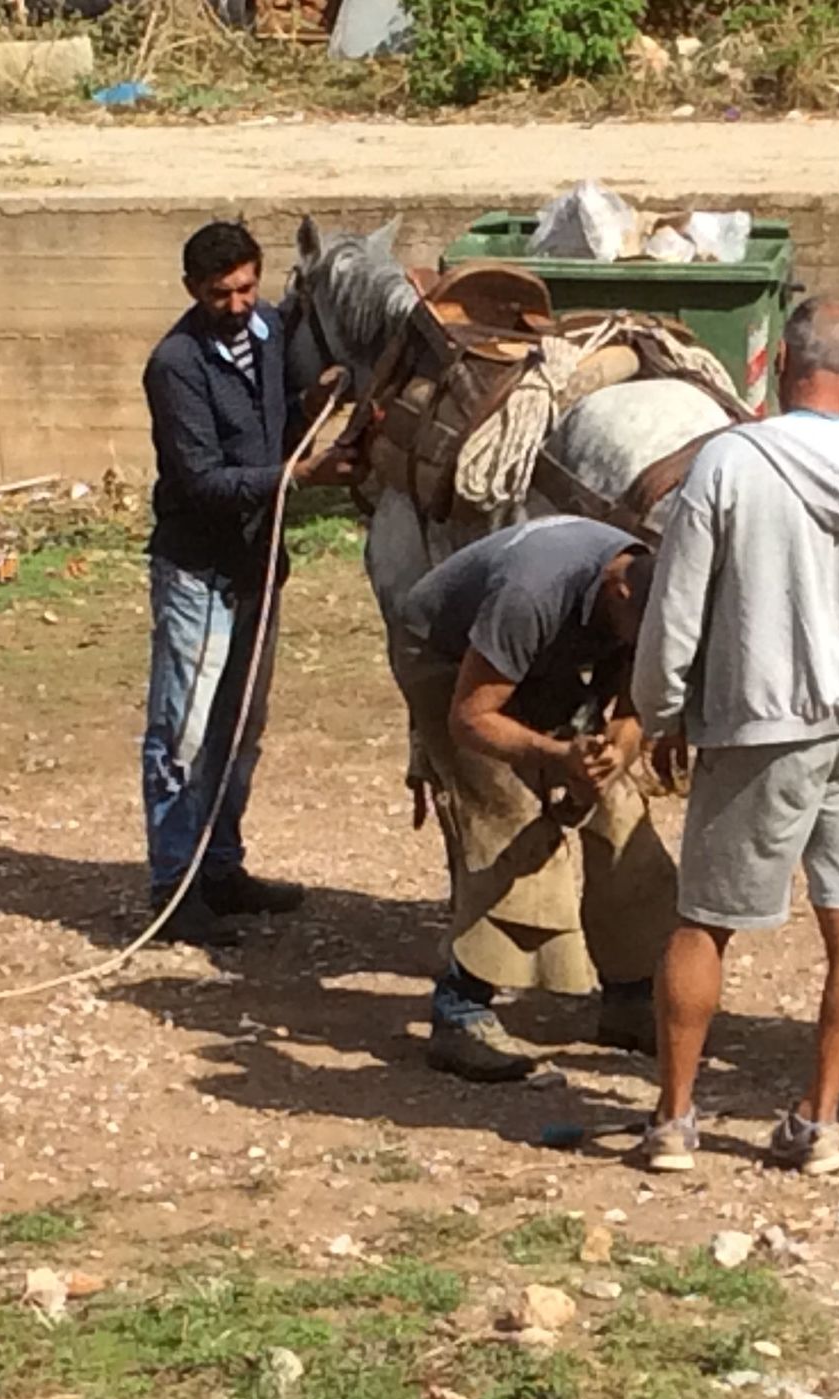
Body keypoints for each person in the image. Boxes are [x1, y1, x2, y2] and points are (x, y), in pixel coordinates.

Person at [631, 298, 839, 1176]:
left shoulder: (732, 461)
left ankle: (674, 1119)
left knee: (703, 923)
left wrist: (661, 709)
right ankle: (820, 1123)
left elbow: (678, 602)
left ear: (778, 366)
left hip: (761, 724)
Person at [394, 515, 675, 1082]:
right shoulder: (531, 594)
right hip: (446, 655)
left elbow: (635, 699)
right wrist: (557, 755)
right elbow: (471, 719)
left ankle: (629, 997)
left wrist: (615, 752)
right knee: (509, 817)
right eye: (642, 634)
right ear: (617, 593)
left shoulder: (649, 595)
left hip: (543, 654)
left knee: (621, 812)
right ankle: (460, 1011)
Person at [141, 220, 353, 945]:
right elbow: (201, 481)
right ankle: (174, 887)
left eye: (245, 288)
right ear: (191, 290)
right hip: (198, 572)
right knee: (183, 734)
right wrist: (299, 476)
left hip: (257, 566)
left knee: (239, 730)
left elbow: (279, 422)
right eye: (219, 294)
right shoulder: (175, 365)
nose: (236, 305)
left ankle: (221, 867)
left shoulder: (268, 331)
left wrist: (315, 405)